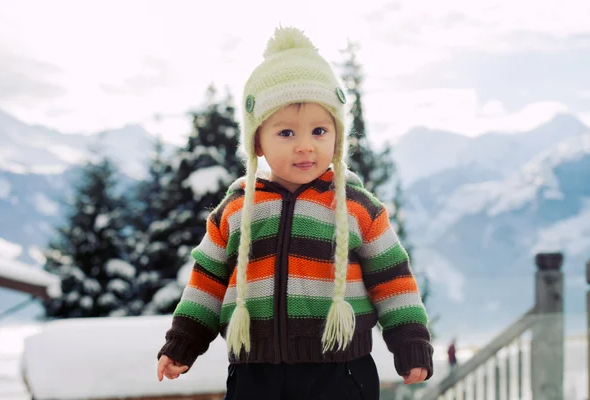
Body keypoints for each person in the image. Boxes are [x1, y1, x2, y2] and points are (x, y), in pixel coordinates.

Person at [156, 26, 434, 399]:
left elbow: (393, 278)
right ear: (257, 140)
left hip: (341, 373)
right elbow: (206, 282)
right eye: (286, 133)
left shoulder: (356, 207)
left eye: (319, 131)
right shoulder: (237, 210)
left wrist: (410, 340)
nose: (305, 147)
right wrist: (183, 341)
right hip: (256, 375)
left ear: (337, 135)